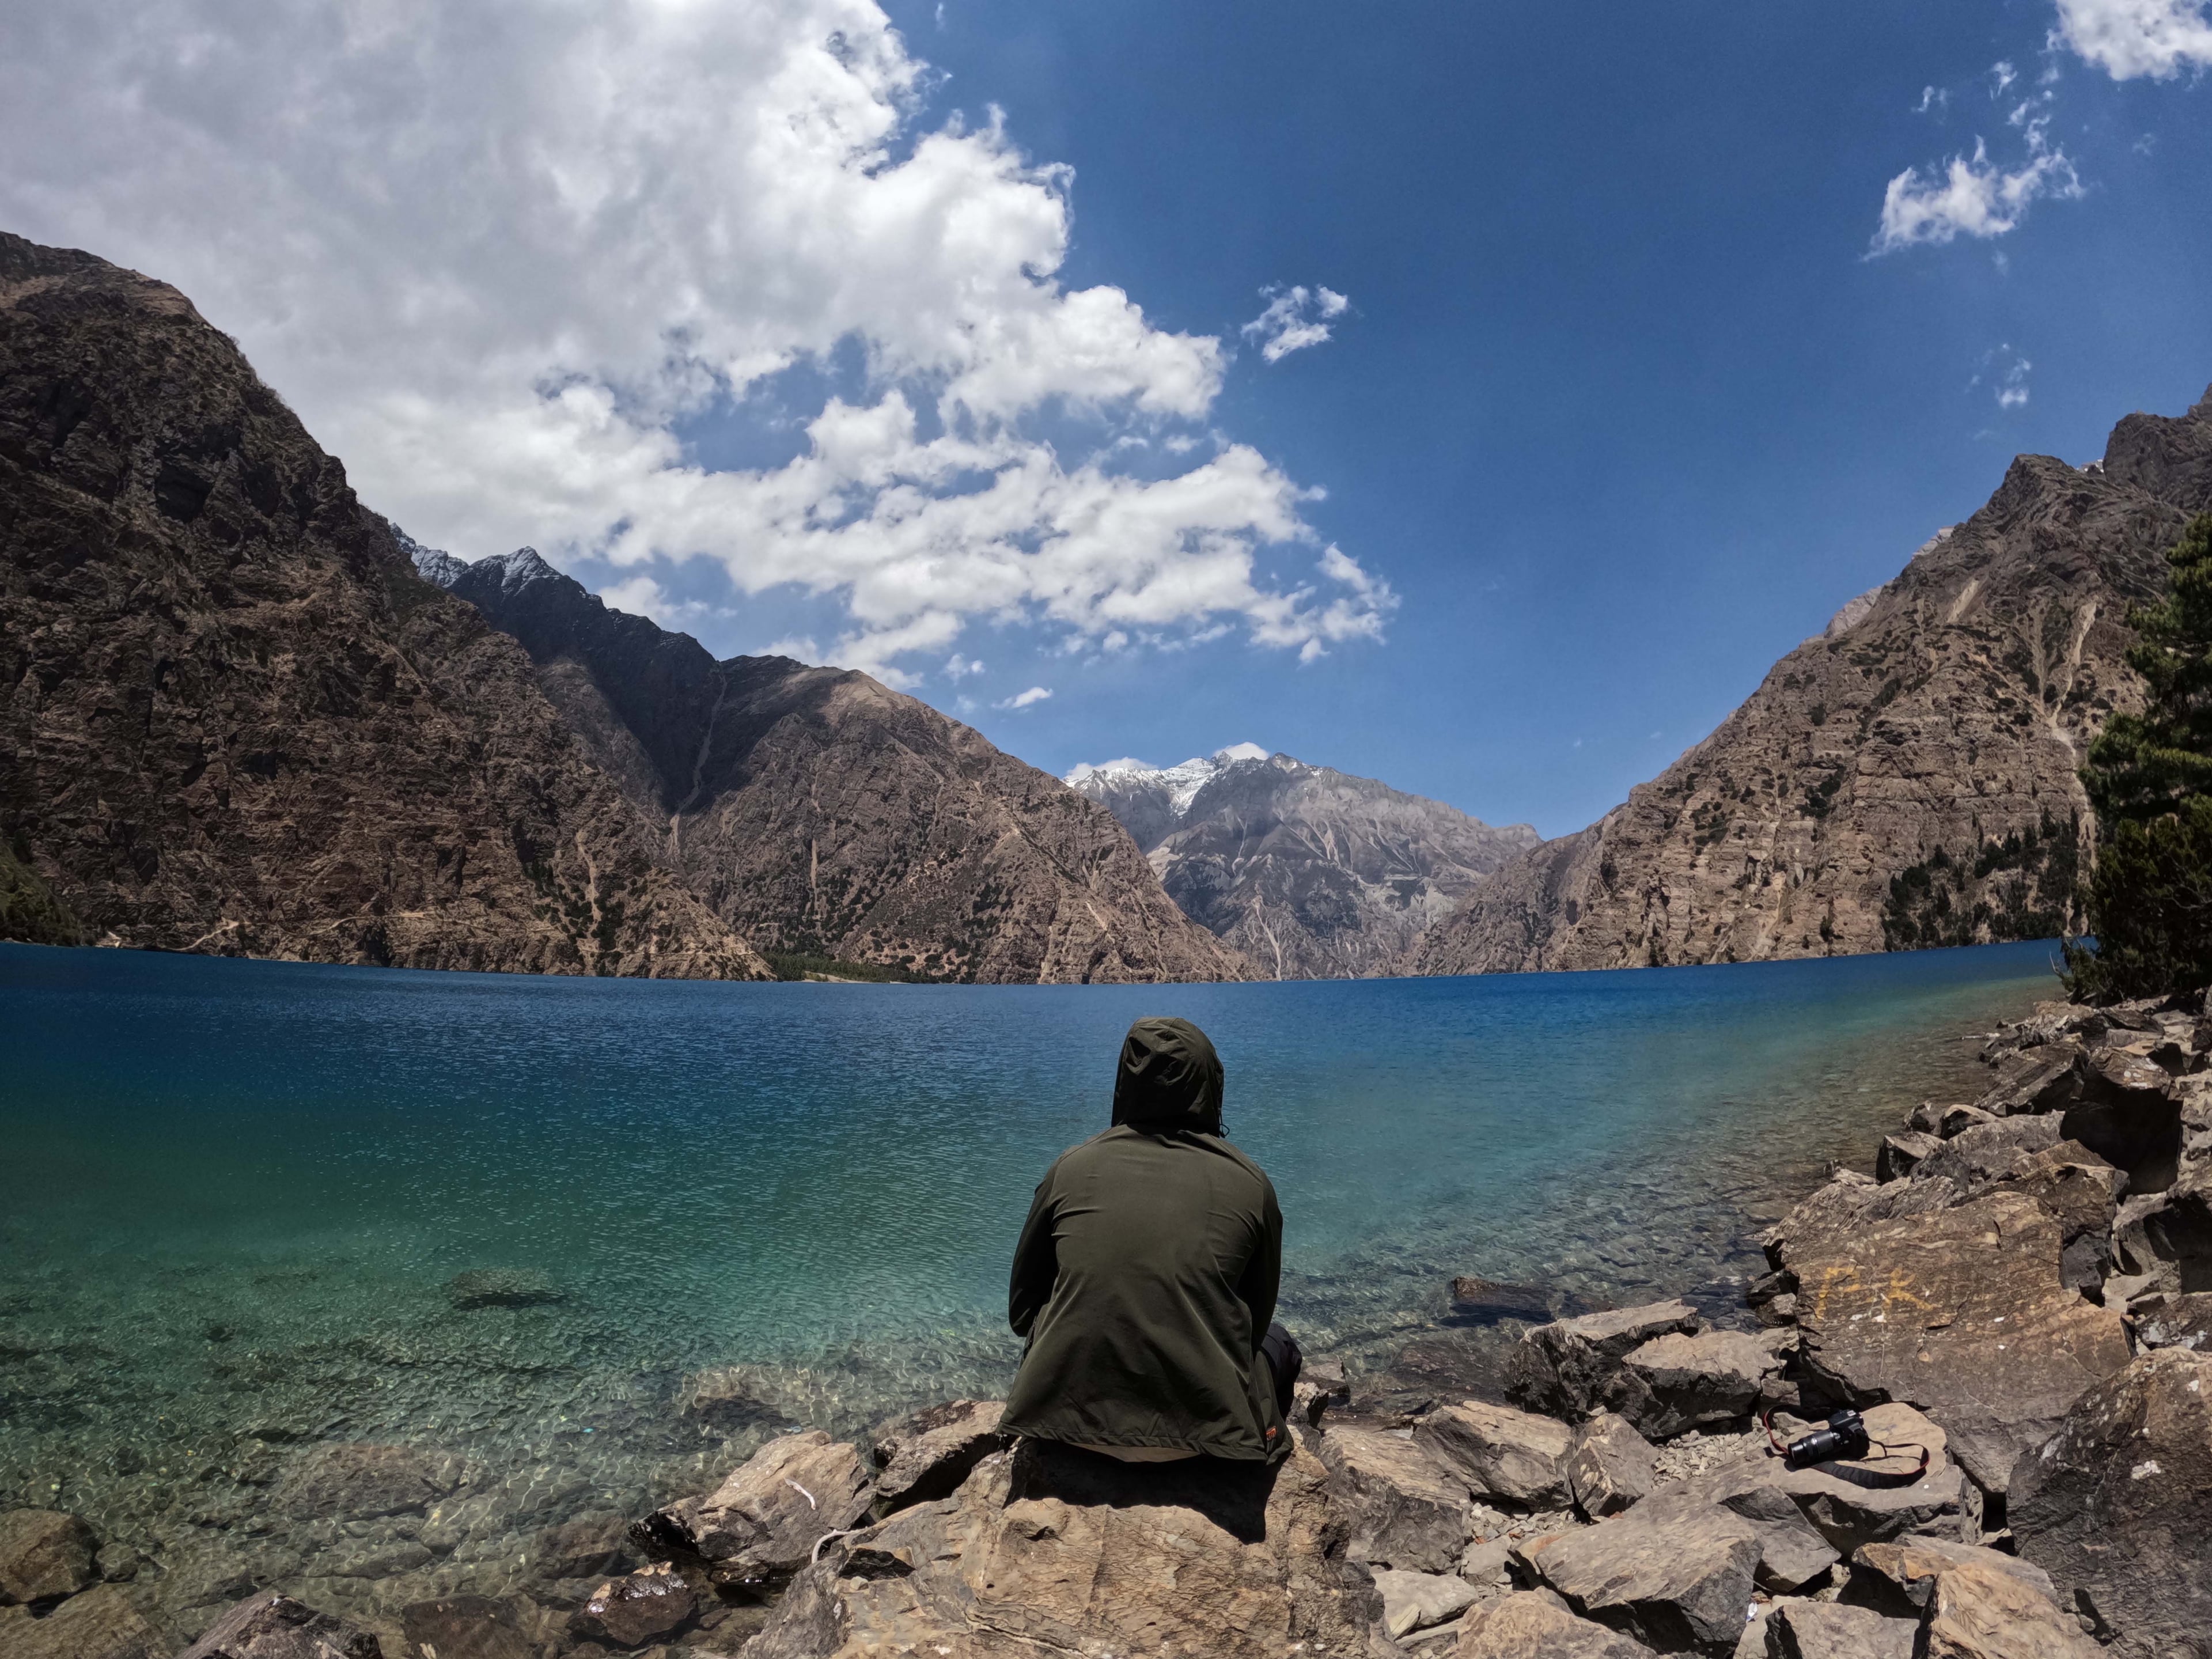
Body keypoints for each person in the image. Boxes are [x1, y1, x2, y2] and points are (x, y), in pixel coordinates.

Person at [1001, 1016, 1301, 1464]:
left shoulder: (1069, 1168)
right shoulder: (1250, 1183)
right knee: (1281, 1344)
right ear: (1210, 1085)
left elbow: (1023, 1314)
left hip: (1066, 1426)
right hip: (1202, 1439)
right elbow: (1255, 1324)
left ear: (1125, 1084)